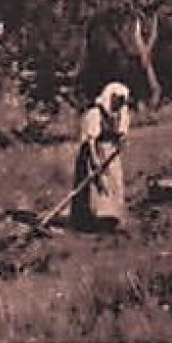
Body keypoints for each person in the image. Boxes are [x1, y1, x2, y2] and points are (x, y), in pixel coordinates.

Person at [71, 81, 131, 232]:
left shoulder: (121, 113)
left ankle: (112, 217)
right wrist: (95, 161)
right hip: (94, 151)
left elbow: (122, 132)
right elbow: (91, 141)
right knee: (96, 183)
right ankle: (92, 219)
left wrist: (121, 139)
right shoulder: (95, 114)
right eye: (117, 100)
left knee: (113, 182)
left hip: (111, 152)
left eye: (121, 101)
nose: (119, 104)